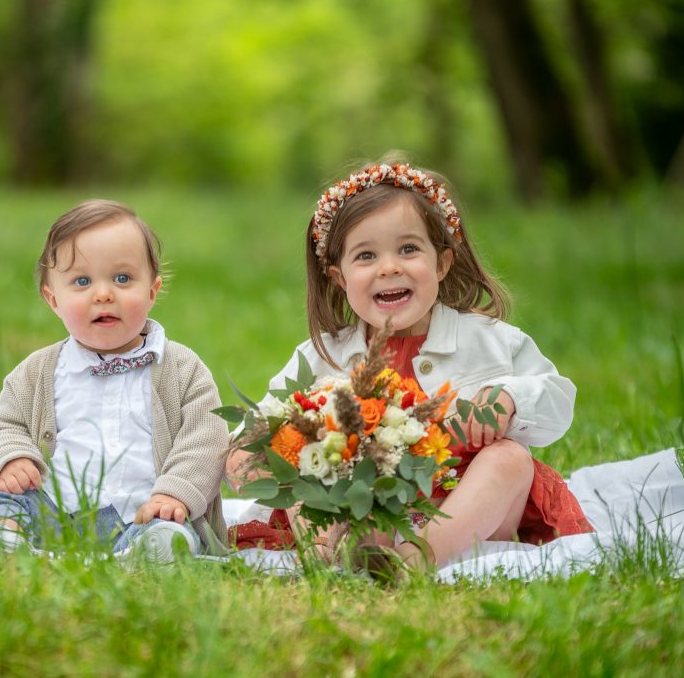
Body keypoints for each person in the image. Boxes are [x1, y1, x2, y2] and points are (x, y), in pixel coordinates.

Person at [227, 160, 592, 571]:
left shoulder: (488, 339)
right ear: (339, 277)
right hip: (360, 515)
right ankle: (326, 555)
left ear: (441, 263)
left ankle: (416, 559)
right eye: (366, 255)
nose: (389, 267)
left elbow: (558, 399)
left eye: (408, 249)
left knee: (511, 459)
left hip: (467, 513)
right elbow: (264, 420)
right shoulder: (323, 356)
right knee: (302, 455)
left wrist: (511, 398)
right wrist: (248, 451)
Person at [0, 199, 228, 560]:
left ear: (152, 291)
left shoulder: (182, 369)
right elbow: (3, 426)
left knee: (169, 529)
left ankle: (150, 549)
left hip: (143, 513)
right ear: (53, 300)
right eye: (82, 281)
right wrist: (11, 459)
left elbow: (207, 437)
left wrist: (175, 493)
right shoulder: (36, 373)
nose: (104, 293)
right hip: (55, 512)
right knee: (9, 501)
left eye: (123, 278)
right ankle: (5, 534)